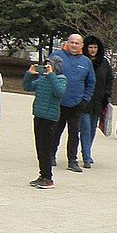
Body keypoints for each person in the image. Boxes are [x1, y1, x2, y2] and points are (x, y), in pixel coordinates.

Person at [50, 34, 96, 172]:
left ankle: (72, 160)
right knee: (55, 131)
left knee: (74, 133)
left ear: (82, 46)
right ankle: (51, 155)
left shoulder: (86, 62)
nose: (74, 45)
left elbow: (91, 82)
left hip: (77, 104)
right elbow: (46, 75)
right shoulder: (57, 57)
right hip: (58, 103)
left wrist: (85, 99)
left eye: (77, 43)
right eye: (72, 42)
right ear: (67, 43)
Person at [24, 56, 68, 189]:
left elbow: (59, 92)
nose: (47, 67)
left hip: (50, 118)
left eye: (50, 65)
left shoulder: (61, 79)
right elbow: (27, 87)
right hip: (39, 115)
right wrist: (29, 74)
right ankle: (42, 174)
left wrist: (52, 75)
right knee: (39, 147)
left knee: (46, 148)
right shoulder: (42, 79)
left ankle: (48, 177)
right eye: (46, 65)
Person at [80, 35, 113, 166]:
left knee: (93, 129)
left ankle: (87, 151)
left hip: (99, 101)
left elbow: (109, 79)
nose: (93, 50)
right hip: (84, 101)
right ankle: (86, 157)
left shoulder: (104, 62)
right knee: (86, 128)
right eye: (90, 47)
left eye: (95, 47)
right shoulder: (82, 61)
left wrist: (107, 94)